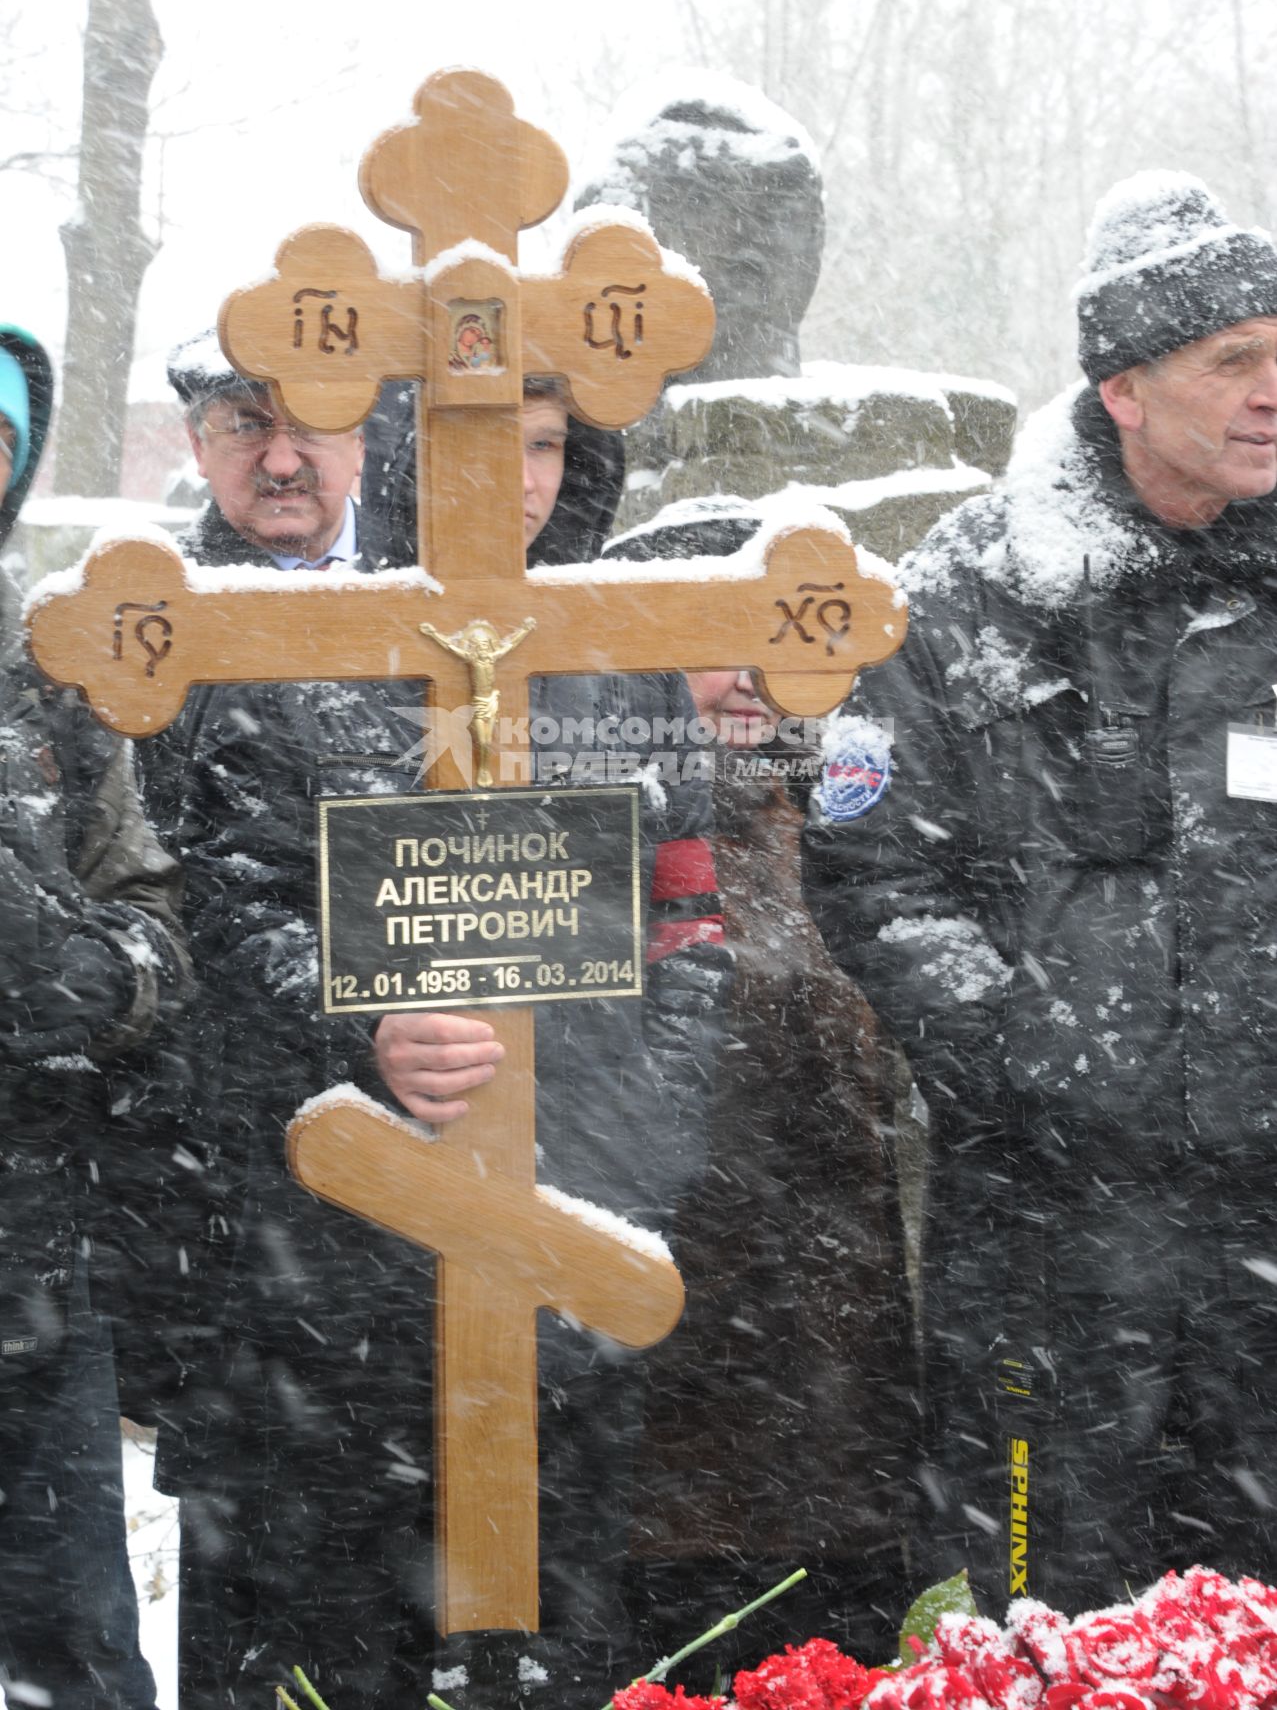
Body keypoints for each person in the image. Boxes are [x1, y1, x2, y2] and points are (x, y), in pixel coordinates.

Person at [150, 347, 729, 1707]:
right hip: (344, 1266)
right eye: (482, 445)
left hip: (576, 1229)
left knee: (547, 1630)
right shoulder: (300, 656)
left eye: (540, 448)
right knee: (334, 1638)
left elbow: (692, 923)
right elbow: (234, 927)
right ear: (404, 448)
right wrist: (368, 1028)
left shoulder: (624, 662)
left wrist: (642, 1133)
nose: (513, 482)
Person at [803, 170, 1277, 1616]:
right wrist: (1027, 1052)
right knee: (1047, 1605)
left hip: (1268, 1206)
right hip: (1050, 1222)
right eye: (1234, 362)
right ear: (1123, 389)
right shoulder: (965, 587)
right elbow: (864, 857)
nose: (1271, 394)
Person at [604, 507, 918, 1670]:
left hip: (846, 1429)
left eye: (769, 642)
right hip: (661, 1444)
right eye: (709, 639)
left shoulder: (859, 829)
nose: (745, 681)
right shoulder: (601, 825)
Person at [0, 326, 189, 1708]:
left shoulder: (55, 679)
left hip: (29, 1266)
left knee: (77, 1650)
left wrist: (98, 972)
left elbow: (154, 915)